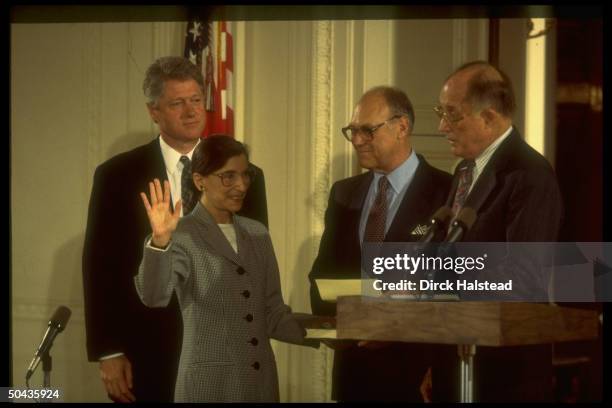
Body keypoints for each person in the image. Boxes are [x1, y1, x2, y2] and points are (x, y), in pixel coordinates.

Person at [82, 56, 268, 402]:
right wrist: (108, 350)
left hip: (224, 352)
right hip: (145, 352)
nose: (191, 111)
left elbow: (253, 269)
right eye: (177, 103)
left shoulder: (246, 175)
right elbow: (99, 267)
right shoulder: (115, 176)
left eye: (196, 100)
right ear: (154, 112)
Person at [134, 135, 316, 402]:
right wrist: (160, 241)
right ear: (199, 181)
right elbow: (154, 296)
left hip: (259, 386)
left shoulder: (258, 233)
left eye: (245, 175)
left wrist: (330, 329)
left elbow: (272, 313)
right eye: (228, 177)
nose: (241, 185)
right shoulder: (182, 235)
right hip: (209, 387)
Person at [308, 86, 453, 402]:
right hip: (353, 374)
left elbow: (450, 286)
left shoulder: (448, 192)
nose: (357, 140)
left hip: (416, 376)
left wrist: (395, 326)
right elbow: (323, 275)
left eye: (367, 130)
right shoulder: (344, 193)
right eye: (353, 131)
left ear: (402, 127)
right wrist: (343, 322)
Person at [431, 61, 563, 402]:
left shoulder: (530, 174)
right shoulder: (464, 170)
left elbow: (521, 277)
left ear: (488, 117)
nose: (441, 126)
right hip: (458, 362)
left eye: (451, 114)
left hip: (505, 371)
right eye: (439, 112)